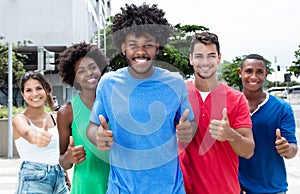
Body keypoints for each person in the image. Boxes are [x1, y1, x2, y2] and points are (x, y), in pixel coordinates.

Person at [86, 3, 196, 193]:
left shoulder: (175, 83)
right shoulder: (108, 83)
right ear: (122, 48)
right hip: (122, 188)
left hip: (170, 188)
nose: (141, 50)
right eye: (133, 44)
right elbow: (93, 126)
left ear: (158, 47)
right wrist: (98, 136)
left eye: (148, 44)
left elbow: (190, 124)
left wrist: (188, 130)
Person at [179, 32, 255, 194]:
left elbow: (248, 151)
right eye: (199, 56)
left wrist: (230, 135)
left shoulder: (237, 99)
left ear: (219, 58)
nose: (205, 62)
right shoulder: (177, 95)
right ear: (191, 59)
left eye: (211, 55)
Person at [238, 54, 298, 194]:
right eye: (248, 71)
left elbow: (293, 149)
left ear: (266, 74)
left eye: (259, 72)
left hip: (272, 188)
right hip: (237, 188)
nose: (253, 77)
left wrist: (286, 149)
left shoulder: (282, 108)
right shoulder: (229, 106)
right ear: (240, 73)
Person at [57, 42, 110, 194]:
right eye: (81, 71)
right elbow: (63, 162)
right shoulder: (67, 112)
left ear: (100, 67)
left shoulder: (116, 103)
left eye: (93, 67)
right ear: (74, 78)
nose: (89, 73)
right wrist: (68, 157)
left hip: (118, 184)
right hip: (86, 187)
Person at [12, 71, 69, 194]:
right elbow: (28, 133)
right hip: (33, 179)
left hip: (59, 179)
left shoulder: (55, 118)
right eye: (28, 90)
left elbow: (57, 154)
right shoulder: (20, 119)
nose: (34, 94)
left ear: (46, 90)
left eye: (38, 88)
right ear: (23, 94)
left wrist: (65, 177)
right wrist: (37, 137)